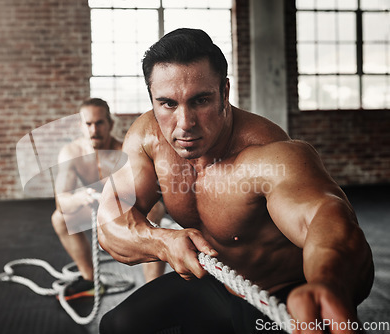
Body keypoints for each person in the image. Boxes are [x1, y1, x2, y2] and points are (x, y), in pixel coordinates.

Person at [97, 29, 374, 333]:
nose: (185, 124)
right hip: (217, 281)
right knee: (118, 325)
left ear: (224, 93)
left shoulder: (267, 154)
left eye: (201, 100)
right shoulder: (147, 136)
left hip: (281, 293)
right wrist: (162, 242)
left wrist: (328, 281)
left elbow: (324, 217)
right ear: (152, 99)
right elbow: (110, 223)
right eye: (167, 104)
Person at [51, 98, 166, 301]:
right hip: (92, 207)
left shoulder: (124, 152)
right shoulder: (71, 153)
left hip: (122, 206)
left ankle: (154, 289)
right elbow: (62, 203)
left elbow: (147, 196)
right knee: (59, 219)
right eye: (88, 124)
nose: (94, 129)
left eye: (99, 123)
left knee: (155, 210)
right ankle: (90, 281)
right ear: (81, 126)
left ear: (110, 124)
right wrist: (80, 198)